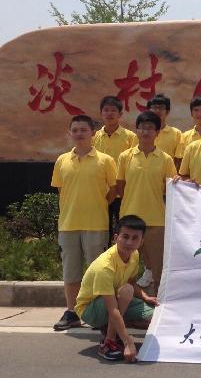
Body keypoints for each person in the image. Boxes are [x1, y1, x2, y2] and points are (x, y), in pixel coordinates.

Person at [51, 115, 117, 331]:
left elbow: (113, 192)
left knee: (97, 273)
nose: (79, 134)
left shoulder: (106, 160)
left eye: (83, 130)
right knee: (71, 272)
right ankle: (72, 313)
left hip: (96, 224)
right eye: (75, 130)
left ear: (93, 133)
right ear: (70, 133)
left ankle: (98, 315)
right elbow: (61, 190)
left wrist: (97, 205)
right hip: (68, 224)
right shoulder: (62, 161)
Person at [74, 215, 158, 362]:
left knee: (155, 318)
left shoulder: (134, 255)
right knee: (126, 292)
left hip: (117, 299)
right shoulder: (105, 266)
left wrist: (145, 297)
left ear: (141, 241)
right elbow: (112, 308)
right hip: (91, 309)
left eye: (135, 238)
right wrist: (128, 342)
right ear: (115, 238)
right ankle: (109, 341)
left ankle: (113, 327)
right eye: (125, 237)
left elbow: (131, 282)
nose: (129, 242)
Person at [117, 111, 177, 294]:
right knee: (126, 269)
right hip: (130, 220)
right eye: (142, 127)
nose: (145, 132)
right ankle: (127, 305)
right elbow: (120, 187)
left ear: (157, 132)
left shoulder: (166, 159)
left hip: (156, 221)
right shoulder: (125, 156)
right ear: (136, 130)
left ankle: (160, 305)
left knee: (158, 270)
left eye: (150, 128)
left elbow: (172, 188)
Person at [92, 96, 138, 238]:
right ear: (101, 113)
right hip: (101, 192)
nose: (109, 113)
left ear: (120, 114)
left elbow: (134, 163)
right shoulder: (94, 137)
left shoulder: (130, 137)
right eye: (106, 110)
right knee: (102, 231)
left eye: (113, 110)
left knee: (124, 230)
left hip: (123, 192)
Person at [175, 95, 201, 166]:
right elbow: (180, 162)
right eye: (196, 110)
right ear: (191, 113)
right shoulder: (184, 136)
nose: (199, 114)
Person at [147, 94, 181, 159]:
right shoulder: (142, 132)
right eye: (154, 107)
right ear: (148, 111)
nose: (157, 110)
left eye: (161, 107)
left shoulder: (176, 133)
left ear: (167, 112)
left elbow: (178, 159)